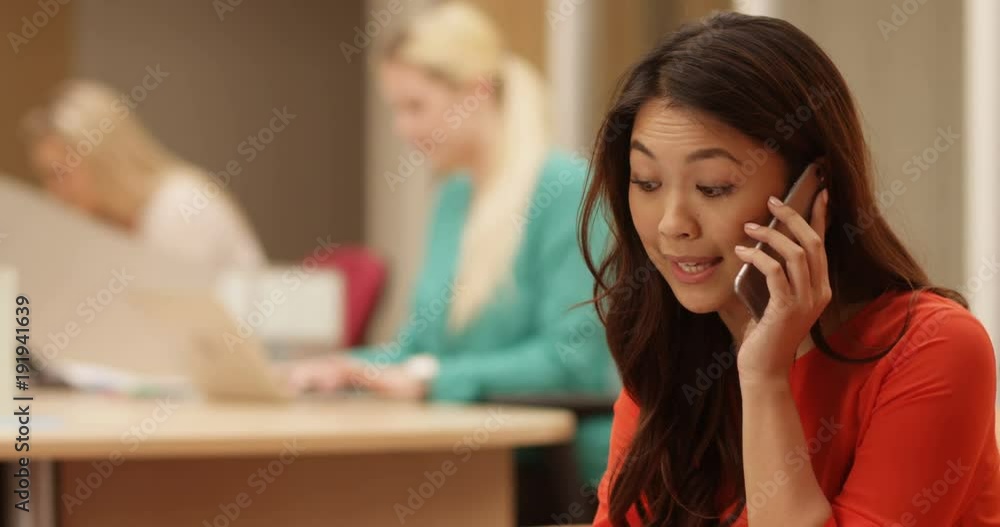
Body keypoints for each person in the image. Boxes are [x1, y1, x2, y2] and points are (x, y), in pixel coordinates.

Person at [580, 11, 1000, 527]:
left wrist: (763, 378)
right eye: (646, 182)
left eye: (712, 187)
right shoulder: (671, 350)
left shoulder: (935, 349)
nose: (672, 225)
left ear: (811, 189)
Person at [287, 0, 617, 502]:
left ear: (476, 92)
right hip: (460, 451)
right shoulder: (454, 198)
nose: (402, 129)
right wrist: (348, 368)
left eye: (414, 106)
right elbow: (419, 350)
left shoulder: (567, 188)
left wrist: (431, 377)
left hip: (547, 466)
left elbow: (570, 359)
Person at [20, 80, 266, 274]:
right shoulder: (106, 223)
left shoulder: (182, 207)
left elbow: (177, 327)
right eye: (46, 177)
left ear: (105, 159)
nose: (52, 191)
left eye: (60, 173)